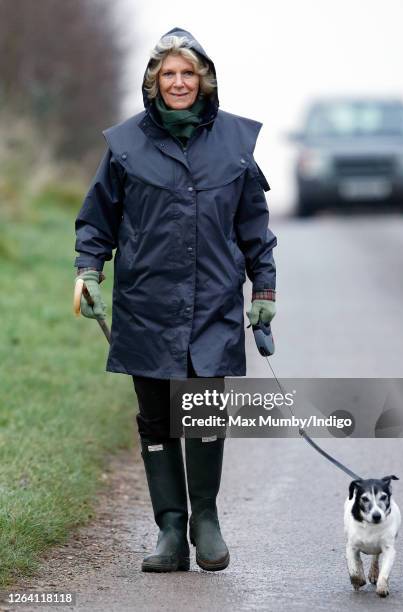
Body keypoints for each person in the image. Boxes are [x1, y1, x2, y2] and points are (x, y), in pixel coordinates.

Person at [74, 27, 277, 573]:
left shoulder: (236, 142)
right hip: (147, 303)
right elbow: (97, 220)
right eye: (169, 73)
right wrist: (89, 272)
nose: (180, 81)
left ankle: (205, 520)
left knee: (205, 407)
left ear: (204, 80)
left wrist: (264, 289)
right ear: (154, 82)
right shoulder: (125, 144)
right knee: (158, 418)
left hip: (212, 300)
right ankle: (170, 529)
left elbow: (254, 227)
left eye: (189, 73)